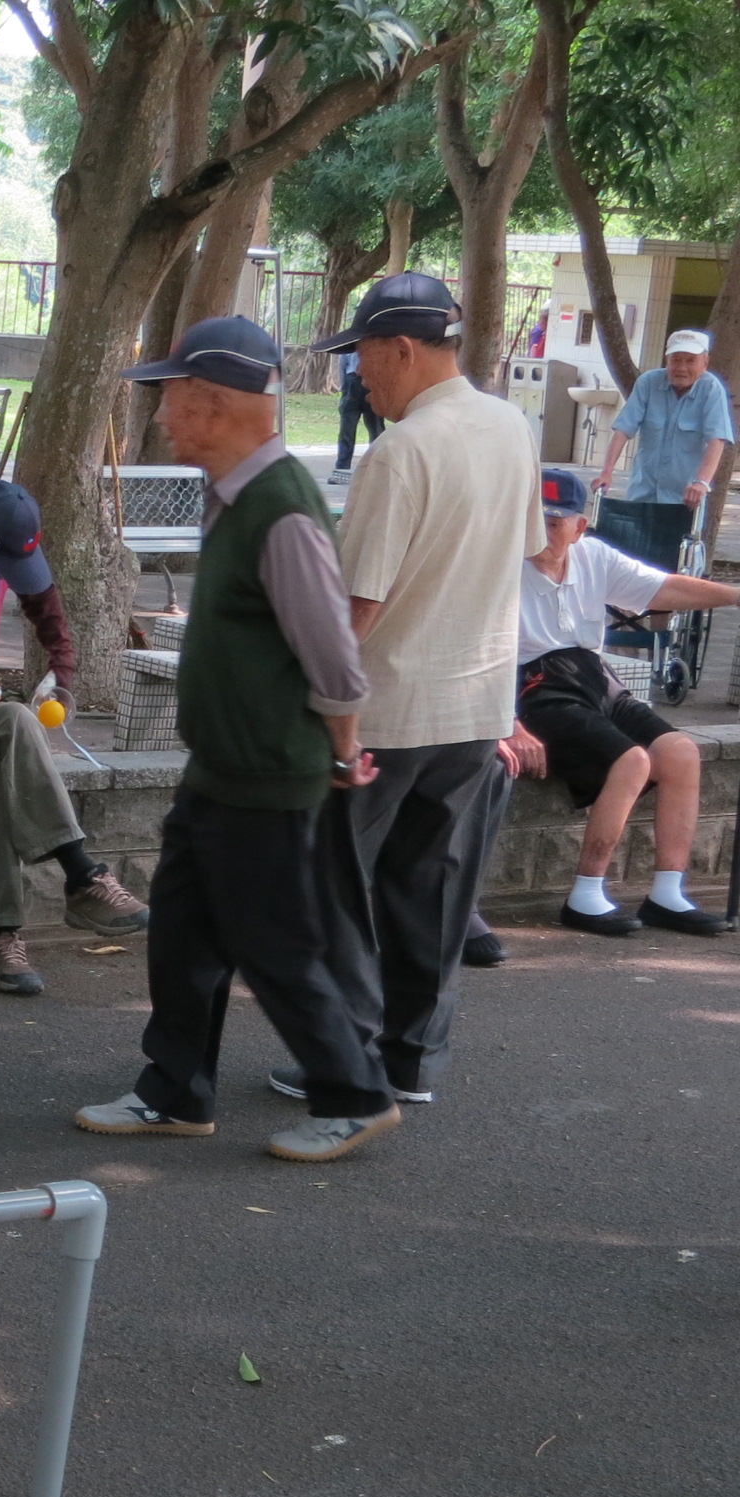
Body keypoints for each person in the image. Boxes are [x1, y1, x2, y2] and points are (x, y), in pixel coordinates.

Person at [73, 317, 400, 1163]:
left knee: (274, 938)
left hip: (265, 773)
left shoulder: (279, 507)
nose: (163, 418)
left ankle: (354, 1092)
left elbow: (331, 653)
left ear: (210, 404)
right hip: (222, 768)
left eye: (172, 399)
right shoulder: (237, 497)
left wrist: (341, 752)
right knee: (184, 931)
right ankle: (175, 1090)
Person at [291, 271, 544, 1108]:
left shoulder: (401, 452)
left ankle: (343, 1060)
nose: (357, 375)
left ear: (402, 348)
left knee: (330, 891)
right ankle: (410, 1064)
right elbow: (525, 552)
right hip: (474, 707)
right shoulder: (513, 427)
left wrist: (313, 706)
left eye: (362, 355)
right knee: (433, 893)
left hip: (388, 711)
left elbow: (355, 606)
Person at [0, 478, 148, 995]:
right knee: (13, 721)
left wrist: (63, 674)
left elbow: (45, 605)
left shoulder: (6, 546)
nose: (8, 575)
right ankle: (82, 873)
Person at [511, 464, 740, 937]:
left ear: (579, 526)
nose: (542, 532)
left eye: (555, 522)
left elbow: (664, 588)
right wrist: (506, 722)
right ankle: (586, 894)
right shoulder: (502, 567)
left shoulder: (594, 556)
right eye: (535, 519)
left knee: (680, 752)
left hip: (594, 676)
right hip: (536, 686)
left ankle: (667, 893)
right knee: (633, 760)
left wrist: (734, 596)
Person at [597, 329, 732, 517]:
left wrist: (702, 482)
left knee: (679, 545)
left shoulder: (711, 389)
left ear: (705, 363)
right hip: (643, 492)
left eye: (690, 360)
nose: (682, 368)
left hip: (685, 499)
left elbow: (717, 439)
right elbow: (623, 429)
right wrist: (607, 472)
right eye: (675, 360)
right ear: (666, 360)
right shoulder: (648, 383)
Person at [332, 346, 382, 482]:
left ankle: (377, 470)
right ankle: (341, 470)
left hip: (371, 384)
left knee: (376, 430)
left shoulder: (377, 343)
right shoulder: (349, 346)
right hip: (351, 383)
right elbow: (343, 365)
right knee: (346, 431)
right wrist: (344, 390)